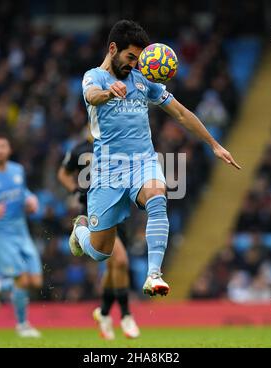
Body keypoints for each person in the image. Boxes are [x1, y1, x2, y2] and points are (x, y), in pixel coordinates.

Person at [69, 20, 241, 297]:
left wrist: (214, 145)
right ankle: (80, 231)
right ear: (113, 49)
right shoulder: (95, 77)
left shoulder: (143, 80)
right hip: (106, 170)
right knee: (101, 252)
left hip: (142, 162)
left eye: (139, 58)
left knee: (157, 194)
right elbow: (91, 96)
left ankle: (154, 274)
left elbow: (182, 114)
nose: (135, 64)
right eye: (130, 57)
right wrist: (108, 92)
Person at [58, 138, 140, 339]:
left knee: (113, 267)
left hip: (119, 210)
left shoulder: (119, 144)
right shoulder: (80, 148)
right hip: (94, 208)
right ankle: (126, 315)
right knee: (120, 261)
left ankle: (103, 313)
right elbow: (63, 173)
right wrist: (74, 190)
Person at [0, 133, 42, 337]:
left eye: (3, 146)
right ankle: (22, 325)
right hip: (0, 237)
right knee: (22, 279)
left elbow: (23, 191)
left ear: (9, 150)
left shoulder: (18, 170)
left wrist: (31, 199)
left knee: (36, 281)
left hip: (21, 232)